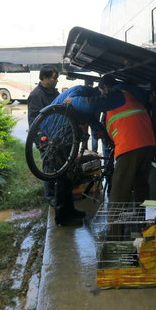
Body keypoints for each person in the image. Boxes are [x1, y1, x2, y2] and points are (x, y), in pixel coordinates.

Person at [64, 75, 156, 204]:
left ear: (105, 88)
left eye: (101, 92)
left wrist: (74, 101)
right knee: (142, 186)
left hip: (131, 145)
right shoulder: (130, 95)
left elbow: (92, 104)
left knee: (119, 191)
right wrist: (106, 135)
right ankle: (147, 221)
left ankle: (115, 224)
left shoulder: (116, 93)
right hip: (149, 143)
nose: (102, 95)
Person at [42, 85, 105, 225]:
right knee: (62, 176)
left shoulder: (86, 93)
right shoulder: (82, 90)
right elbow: (78, 103)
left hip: (63, 134)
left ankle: (70, 210)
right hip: (58, 136)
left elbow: (89, 116)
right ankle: (62, 218)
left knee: (68, 175)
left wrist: (99, 129)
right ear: (98, 91)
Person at [27, 65, 60, 205]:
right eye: (54, 78)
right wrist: (40, 139)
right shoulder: (36, 95)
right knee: (48, 165)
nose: (56, 81)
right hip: (44, 137)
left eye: (57, 78)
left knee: (58, 164)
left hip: (56, 134)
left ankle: (58, 193)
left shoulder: (55, 93)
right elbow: (33, 120)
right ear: (45, 77)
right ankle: (50, 195)